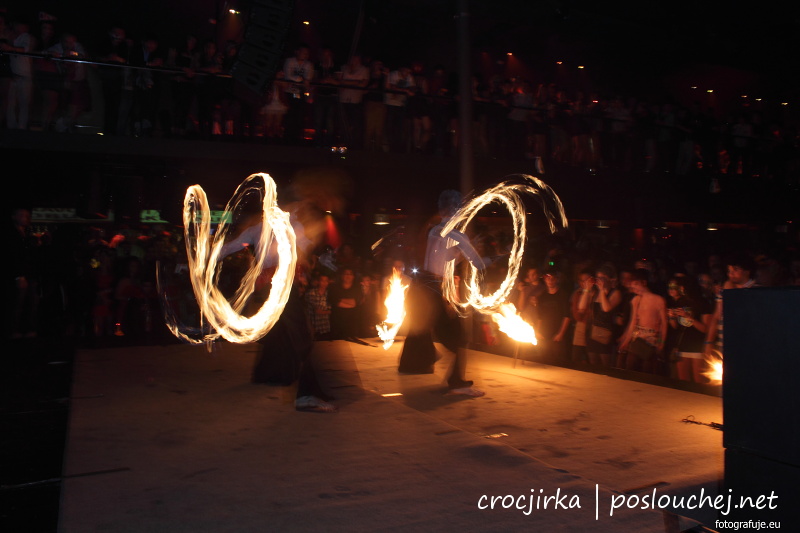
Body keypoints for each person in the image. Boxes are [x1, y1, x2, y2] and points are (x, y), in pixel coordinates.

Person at [398, 190, 486, 396]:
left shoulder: (434, 231)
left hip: (422, 285)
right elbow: (478, 264)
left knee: (432, 330)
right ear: (455, 210)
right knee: (457, 335)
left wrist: (459, 255)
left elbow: (442, 262)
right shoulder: (457, 235)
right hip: (431, 289)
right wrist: (480, 252)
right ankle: (456, 381)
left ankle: (422, 365)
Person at [619, 268, 667, 373]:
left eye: (636, 284)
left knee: (647, 371)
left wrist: (661, 342)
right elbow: (633, 322)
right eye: (632, 285)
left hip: (652, 340)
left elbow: (664, 324)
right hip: (637, 339)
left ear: (644, 282)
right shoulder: (636, 300)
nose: (634, 288)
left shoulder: (659, 300)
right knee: (630, 367)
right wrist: (626, 340)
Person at [668, 276, 713, 383]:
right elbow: (676, 327)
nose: (681, 289)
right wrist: (671, 317)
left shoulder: (703, 303)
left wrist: (688, 317)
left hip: (697, 346)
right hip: (682, 345)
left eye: (681, 286)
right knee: (683, 381)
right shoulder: (680, 302)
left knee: (699, 381)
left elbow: (706, 329)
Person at [583, 263, 623, 366]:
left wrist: (602, 290)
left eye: (603, 278)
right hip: (593, 331)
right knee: (593, 363)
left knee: (606, 364)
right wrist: (587, 289)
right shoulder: (594, 292)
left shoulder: (616, 293)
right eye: (598, 278)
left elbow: (606, 308)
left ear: (610, 279)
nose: (600, 280)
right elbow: (581, 306)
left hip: (606, 334)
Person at [533, 267, 571, 364]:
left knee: (558, 362)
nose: (550, 280)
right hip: (544, 335)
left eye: (552, 278)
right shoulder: (542, 296)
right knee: (544, 361)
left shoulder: (562, 294)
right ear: (544, 279)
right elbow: (539, 316)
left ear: (557, 279)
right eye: (548, 278)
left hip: (557, 336)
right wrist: (537, 331)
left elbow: (567, 316)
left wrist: (561, 333)